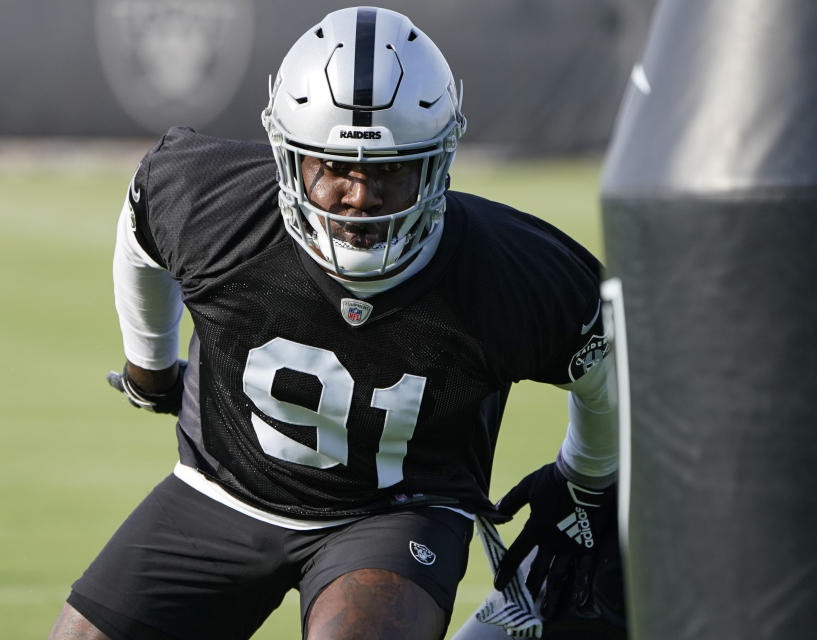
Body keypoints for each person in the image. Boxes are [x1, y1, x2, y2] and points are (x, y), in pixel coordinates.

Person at [48, 6, 618, 639]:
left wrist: (585, 478)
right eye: (335, 167)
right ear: (288, 159)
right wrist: (148, 364)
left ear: (437, 161)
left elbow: (612, 364)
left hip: (394, 514)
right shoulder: (217, 205)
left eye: (390, 170)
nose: (361, 196)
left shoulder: (507, 271)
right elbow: (142, 223)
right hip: (221, 490)